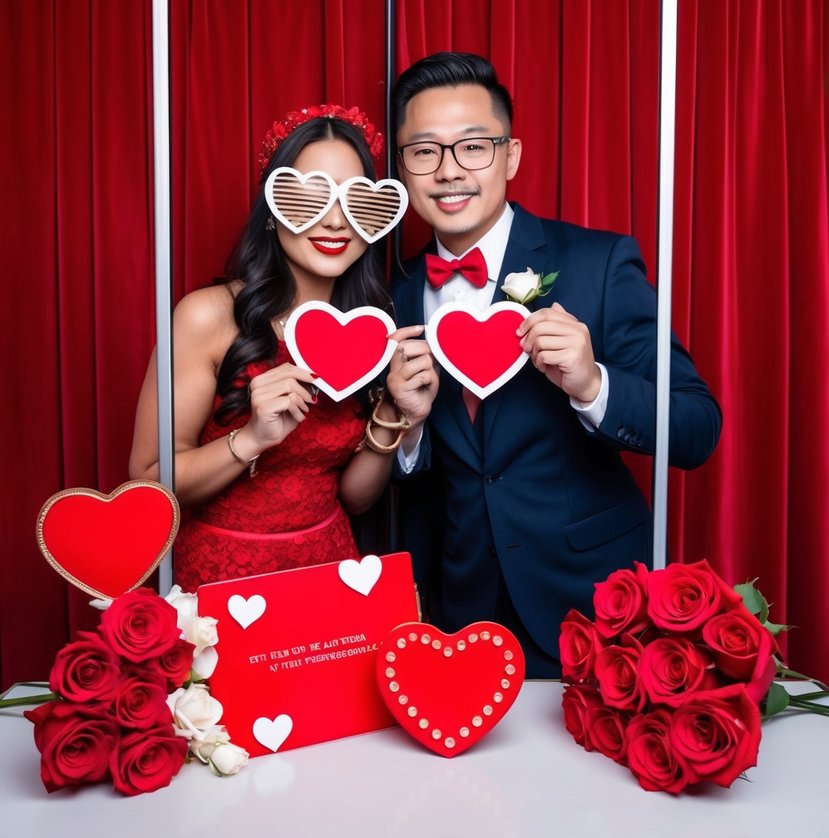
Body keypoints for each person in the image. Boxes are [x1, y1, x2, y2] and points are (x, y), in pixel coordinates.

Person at [390, 52, 722, 678]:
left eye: (473, 148)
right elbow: (412, 479)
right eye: (424, 152)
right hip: (459, 617)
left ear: (510, 156)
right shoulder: (395, 293)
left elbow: (698, 426)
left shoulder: (598, 263)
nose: (449, 172)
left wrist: (594, 384)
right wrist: (407, 434)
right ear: (402, 170)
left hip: (595, 610)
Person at [129, 104, 438, 590]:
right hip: (220, 582)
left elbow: (355, 499)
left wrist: (399, 413)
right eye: (309, 197)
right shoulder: (207, 316)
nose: (335, 221)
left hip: (332, 574)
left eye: (357, 202)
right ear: (272, 208)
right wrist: (250, 438)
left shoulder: (371, 330)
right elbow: (148, 483)